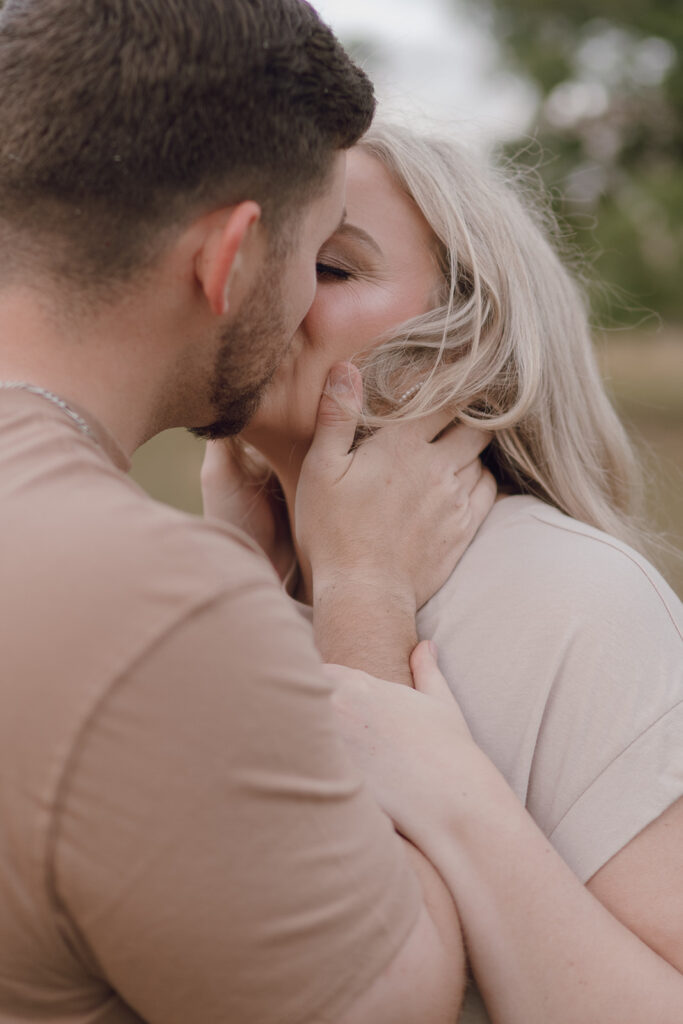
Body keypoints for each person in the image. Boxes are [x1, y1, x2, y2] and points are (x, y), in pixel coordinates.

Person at [0, 4, 499, 1023]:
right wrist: (361, 593)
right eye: (314, 255)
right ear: (229, 259)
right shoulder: (152, 606)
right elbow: (392, 1006)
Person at [203, 118, 683, 1022]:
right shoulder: (231, 584)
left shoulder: (573, 602)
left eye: (332, 266)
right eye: (257, 248)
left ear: (468, 337)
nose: (261, 288)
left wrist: (461, 806)